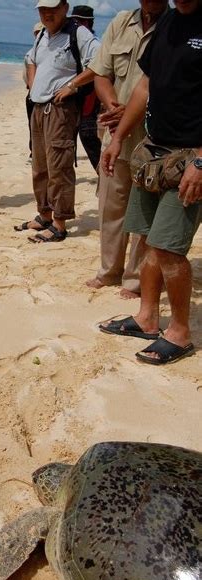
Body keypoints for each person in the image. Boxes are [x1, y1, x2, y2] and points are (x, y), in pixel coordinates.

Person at [99, 0, 202, 365]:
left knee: (169, 248)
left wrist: (201, 161)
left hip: (191, 157)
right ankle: (146, 317)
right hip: (153, 152)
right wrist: (117, 138)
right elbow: (145, 84)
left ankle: (179, 331)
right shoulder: (169, 21)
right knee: (145, 235)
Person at [86, 1, 169, 298]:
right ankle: (109, 271)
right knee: (110, 206)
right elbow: (101, 73)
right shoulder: (121, 22)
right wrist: (112, 105)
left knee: (145, 211)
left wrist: (130, 113)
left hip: (154, 137)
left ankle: (134, 280)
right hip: (114, 132)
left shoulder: (175, 26)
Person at [15, 0, 99, 243]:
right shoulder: (42, 34)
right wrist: (32, 86)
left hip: (61, 110)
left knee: (59, 166)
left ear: (65, 7)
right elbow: (30, 59)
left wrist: (72, 85)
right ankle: (44, 215)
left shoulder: (78, 33)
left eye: (53, 9)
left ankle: (59, 224)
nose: (48, 14)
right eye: (43, 10)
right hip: (38, 107)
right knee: (39, 166)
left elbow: (100, 61)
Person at [71, 5, 101, 172]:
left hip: (90, 94)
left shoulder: (94, 43)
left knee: (88, 135)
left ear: (86, 23)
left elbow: (98, 70)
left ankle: (102, 174)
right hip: (79, 95)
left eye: (77, 21)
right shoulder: (77, 40)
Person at [24, 22, 44, 161]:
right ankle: (34, 151)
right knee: (32, 125)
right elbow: (26, 74)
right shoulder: (30, 53)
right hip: (32, 94)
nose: (39, 35)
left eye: (41, 32)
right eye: (37, 33)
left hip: (47, 95)